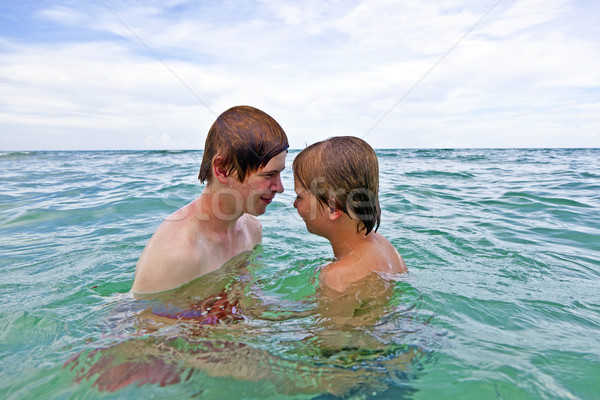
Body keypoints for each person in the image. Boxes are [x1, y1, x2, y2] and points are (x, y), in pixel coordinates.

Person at [131, 106, 288, 294]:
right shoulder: (177, 254)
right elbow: (145, 320)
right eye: (268, 175)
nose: (279, 187)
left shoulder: (252, 229)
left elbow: (247, 300)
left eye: (279, 174)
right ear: (222, 169)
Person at [292, 136, 407, 295]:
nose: (294, 203)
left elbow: (332, 320)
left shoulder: (337, 276)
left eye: (299, 196)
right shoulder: (384, 246)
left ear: (332, 208)